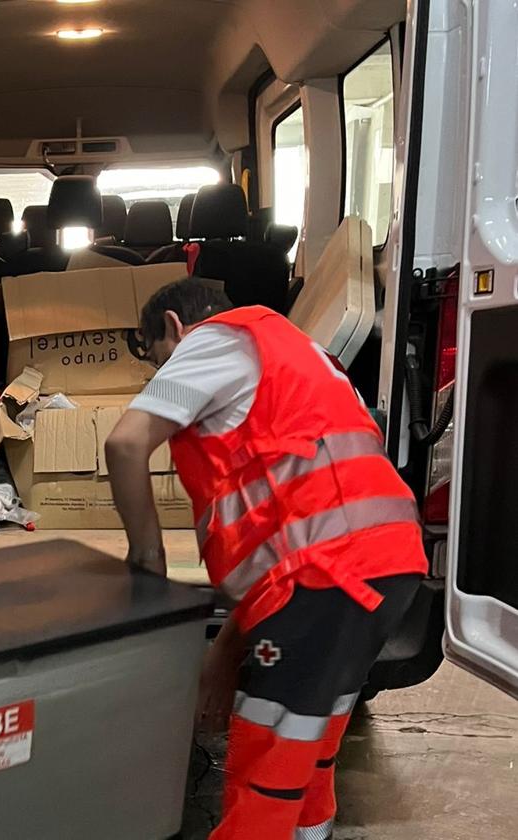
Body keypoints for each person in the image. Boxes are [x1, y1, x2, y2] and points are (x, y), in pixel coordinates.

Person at [104, 278, 427, 840]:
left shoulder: (214, 340)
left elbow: (125, 443)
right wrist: (227, 653)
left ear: (176, 328)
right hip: (385, 564)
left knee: (265, 762)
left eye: (158, 358)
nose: (163, 373)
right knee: (311, 739)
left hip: (325, 576)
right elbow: (280, 539)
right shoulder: (298, 354)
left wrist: (148, 561)